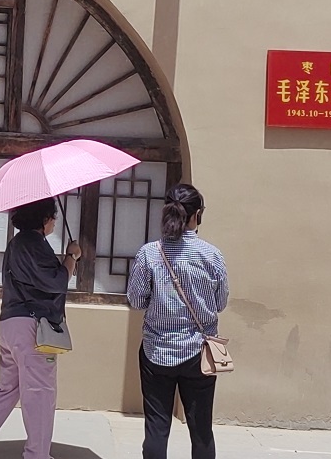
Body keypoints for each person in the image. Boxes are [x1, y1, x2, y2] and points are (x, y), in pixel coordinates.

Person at [0, 197, 81, 459]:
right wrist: (71, 257)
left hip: (10, 324)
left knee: (8, 388)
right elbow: (56, 282)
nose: (55, 222)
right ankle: (37, 454)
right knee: (40, 392)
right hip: (33, 328)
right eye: (53, 217)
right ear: (44, 219)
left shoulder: (16, 244)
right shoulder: (35, 244)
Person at [127, 184, 229, 459]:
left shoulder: (149, 253)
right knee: (201, 429)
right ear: (197, 214)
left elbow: (136, 301)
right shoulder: (212, 255)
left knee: (156, 428)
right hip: (199, 353)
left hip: (156, 351)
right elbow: (220, 303)